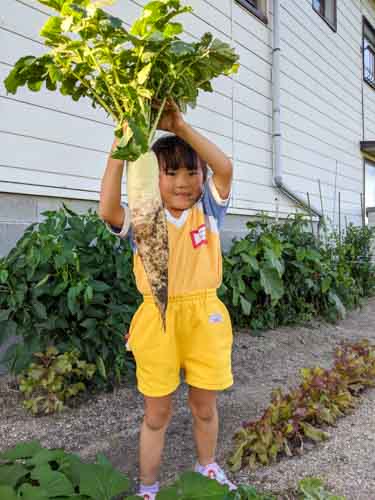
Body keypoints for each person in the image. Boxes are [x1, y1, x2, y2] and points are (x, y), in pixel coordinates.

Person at [99, 99, 236, 499]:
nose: (183, 182)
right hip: (156, 319)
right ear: (152, 179)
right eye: (170, 172)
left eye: (191, 172)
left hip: (205, 316)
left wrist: (180, 127)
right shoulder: (145, 216)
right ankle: (148, 487)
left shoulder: (208, 211)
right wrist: (121, 146)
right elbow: (108, 209)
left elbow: (225, 168)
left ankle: (207, 465)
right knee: (157, 413)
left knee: (204, 405)